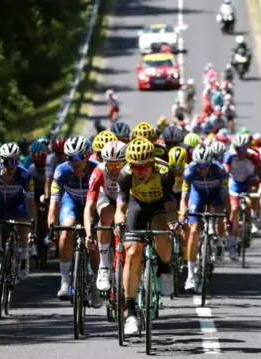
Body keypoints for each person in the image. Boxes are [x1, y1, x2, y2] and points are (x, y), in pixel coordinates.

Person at [114, 137, 176, 336]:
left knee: (163, 234)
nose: (140, 172)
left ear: (152, 164)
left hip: (158, 206)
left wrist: (173, 221)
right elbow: (120, 207)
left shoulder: (165, 173)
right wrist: (118, 222)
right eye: (136, 168)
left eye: (144, 168)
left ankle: (165, 267)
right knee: (132, 251)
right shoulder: (125, 176)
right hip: (137, 205)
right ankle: (130, 313)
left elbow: (171, 206)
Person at [47, 136, 102, 306]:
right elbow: (54, 202)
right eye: (70, 158)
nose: (75, 162)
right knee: (67, 228)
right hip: (70, 203)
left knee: (94, 238)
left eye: (79, 157)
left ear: (87, 155)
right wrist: (51, 226)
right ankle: (65, 281)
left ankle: (95, 281)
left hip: (92, 205)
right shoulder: (61, 170)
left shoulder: (97, 169)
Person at [0, 143, 37, 304]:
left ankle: (24, 253)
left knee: (23, 225)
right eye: (7, 162)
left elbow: (31, 204)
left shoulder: (25, 176)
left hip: (17, 204)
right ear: (0, 160)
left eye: (14, 162)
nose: (11, 166)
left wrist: (32, 227)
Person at [179, 145, 229, 291]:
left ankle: (219, 242)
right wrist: (183, 216)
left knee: (221, 216)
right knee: (194, 230)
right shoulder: (189, 171)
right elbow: (184, 199)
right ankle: (190, 275)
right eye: (198, 166)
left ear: (211, 163)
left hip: (215, 194)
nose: (202, 169)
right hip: (198, 195)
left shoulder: (219, 171)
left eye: (205, 166)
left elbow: (226, 197)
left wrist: (227, 216)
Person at [84, 140, 127, 293]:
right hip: (106, 198)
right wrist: (89, 233)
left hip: (125, 199)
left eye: (118, 165)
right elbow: (89, 206)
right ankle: (103, 266)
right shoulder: (99, 172)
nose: (114, 170)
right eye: (110, 165)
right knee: (107, 215)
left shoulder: (131, 171)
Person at [223, 134, 261, 257]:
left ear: (247, 147)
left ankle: (253, 215)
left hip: (249, 179)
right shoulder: (229, 156)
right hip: (235, 181)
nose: (240, 152)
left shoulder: (253, 156)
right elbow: (225, 171)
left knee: (253, 193)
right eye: (237, 148)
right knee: (235, 209)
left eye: (243, 149)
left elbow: (260, 172)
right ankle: (231, 243)